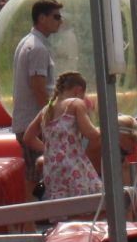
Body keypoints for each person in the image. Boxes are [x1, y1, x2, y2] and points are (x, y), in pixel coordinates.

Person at [11, 0, 62, 196]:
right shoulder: (38, 48)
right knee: (36, 174)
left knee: (36, 173)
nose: (60, 21)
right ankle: (32, 213)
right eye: (56, 17)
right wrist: (52, 120)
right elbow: (39, 89)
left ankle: (34, 212)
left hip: (27, 121)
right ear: (42, 18)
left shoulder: (28, 43)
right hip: (33, 123)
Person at [24, 73, 102, 202]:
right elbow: (91, 135)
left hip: (53, 172)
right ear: (78, 90)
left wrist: (51, 150)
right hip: (73, 169)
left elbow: (28, 138)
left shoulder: (46, 109)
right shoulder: (75, 103)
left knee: (62, 208)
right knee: (92, 203)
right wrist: (103, 129)